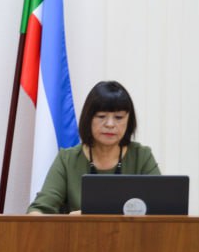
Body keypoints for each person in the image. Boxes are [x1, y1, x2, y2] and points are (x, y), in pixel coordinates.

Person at [28, 80, 160, 215]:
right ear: (88, 118)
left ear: (129, 120)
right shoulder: (67, 159)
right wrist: (70, 220)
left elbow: (162, 209)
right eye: (101, 116)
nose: (110, 124)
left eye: (119, 117)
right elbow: (38, 211)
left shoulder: (141, 156)